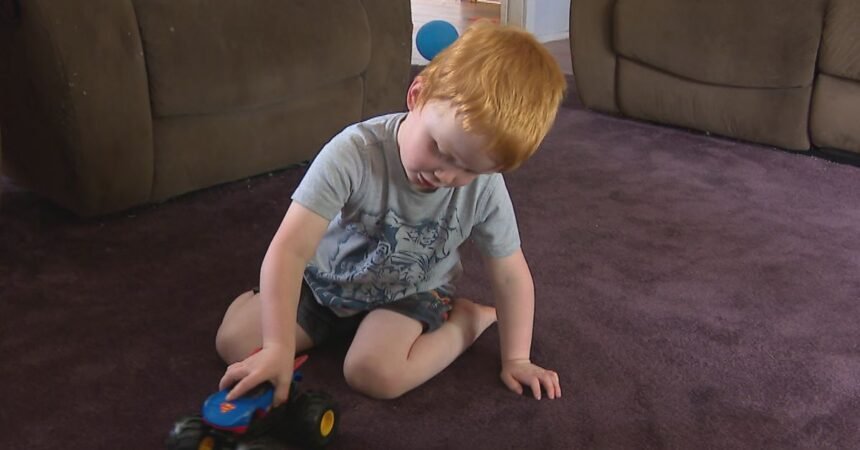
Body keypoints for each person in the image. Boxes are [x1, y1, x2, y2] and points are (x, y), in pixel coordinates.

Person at [215, 21, 567, 406]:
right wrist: (277, 348)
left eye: (470, 169)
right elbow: (290, 249)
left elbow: (511, 274)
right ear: (417, 95)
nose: (446, 174)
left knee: (375, 373)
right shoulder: (352, 154)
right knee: (235, 343)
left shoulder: (485, 188)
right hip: (326, 282)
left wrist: (517, 359)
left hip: (410, 292)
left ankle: (466, 321)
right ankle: (278, 307)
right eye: (440, 149)